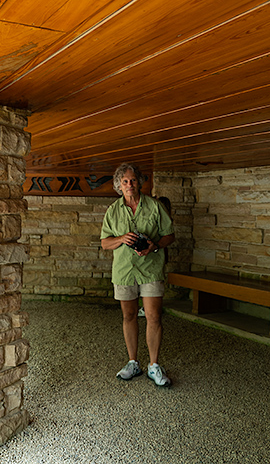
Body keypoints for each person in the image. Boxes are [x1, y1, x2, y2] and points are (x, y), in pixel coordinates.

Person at [100, 163, 176, 387]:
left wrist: (153, 246)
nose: (129, 185)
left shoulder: (154, 206)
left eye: (133, 180)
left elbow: (169, 235)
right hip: (124, 272)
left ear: (139, 182)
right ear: (119, 186)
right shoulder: (113, 211)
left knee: (154, 317)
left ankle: (154, 365)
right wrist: (122, 239)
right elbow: (105, 243)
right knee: (129, 316)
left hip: (151, 269)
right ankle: (133, 362)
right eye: (125, 182)